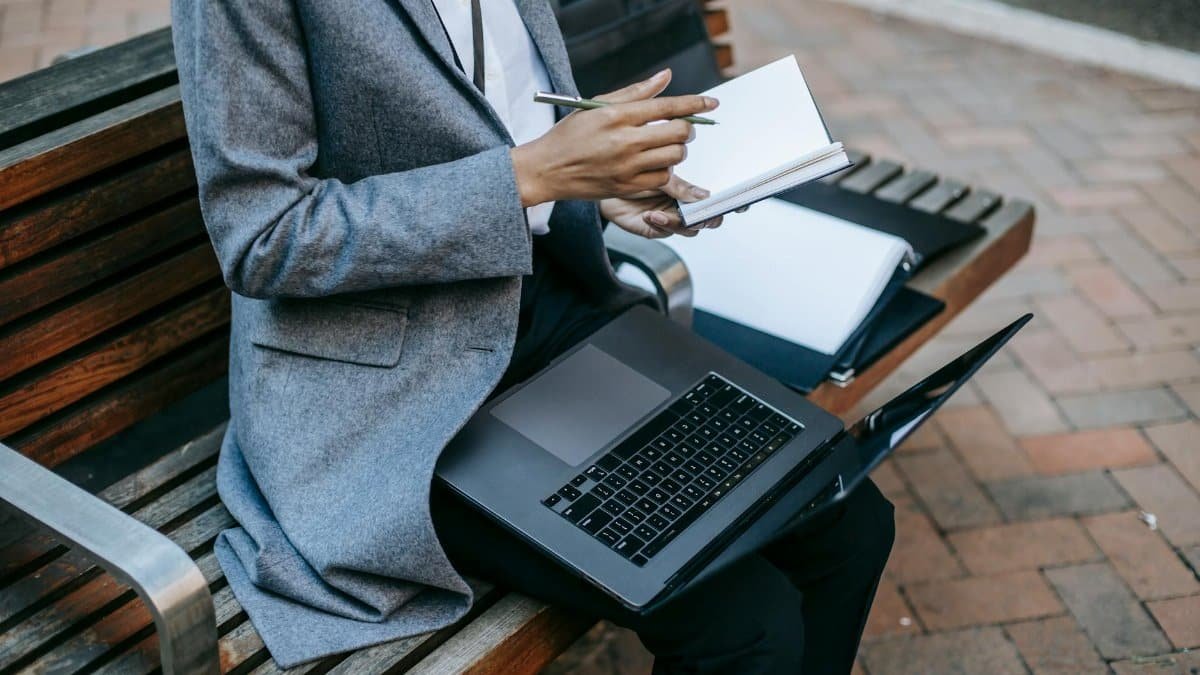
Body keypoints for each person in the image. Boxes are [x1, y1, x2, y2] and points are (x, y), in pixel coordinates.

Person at [172, 1, 894, 672]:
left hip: (545, 304)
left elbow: (497, 113)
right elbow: (264, 235)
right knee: (750, 627)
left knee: (853, 523)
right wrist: (530, 174)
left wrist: (594, 188)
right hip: (391, 387)